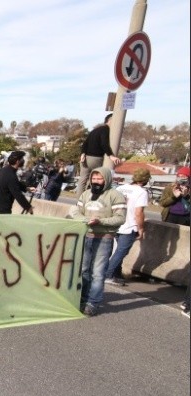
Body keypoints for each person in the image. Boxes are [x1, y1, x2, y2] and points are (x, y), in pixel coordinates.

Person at [69, 167, 127, 316]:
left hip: (104, 238)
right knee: (83, 270)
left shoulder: (115, 196)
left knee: (98, 272)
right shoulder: (86, 194)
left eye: (99, 179)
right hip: (86, 236)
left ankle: (93, 302)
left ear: (106, 179)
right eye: (94, 179)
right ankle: (82, 299)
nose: (96, 182)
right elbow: (76, 212)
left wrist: (100, 221)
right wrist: (82, 219)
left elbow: (120, 218)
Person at [104, 168, 151, 285]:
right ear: (145, 180)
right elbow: (138, 212)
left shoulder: (120, 188)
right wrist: (141, 229)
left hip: (116, 223)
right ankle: (108, 275)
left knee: (118, 251)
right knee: (121, 252)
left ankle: (116, 274)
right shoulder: (141, 192)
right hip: (129, 226)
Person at [76, 114, 121, 194]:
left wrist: (83, 154)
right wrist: (111, 156)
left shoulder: (95, 130)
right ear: (110, 120)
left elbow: (85, 143)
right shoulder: (106, 130)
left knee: (82, 179)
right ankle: (90, 197)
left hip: (85, 157)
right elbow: (104, 144)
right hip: (96, 158)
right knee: (96, 179)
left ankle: (80, 200)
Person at [0, 150, 33, 215]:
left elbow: (15, 183)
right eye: (22, 159)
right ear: (17, 161)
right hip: (2, 209)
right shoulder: (11, 175)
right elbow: (17, 194)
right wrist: (28, 207)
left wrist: (26, 188)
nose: (23, 161)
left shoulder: (5, 169)